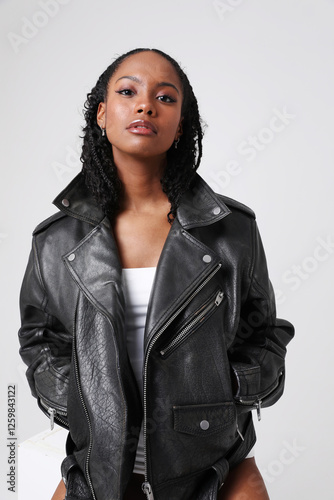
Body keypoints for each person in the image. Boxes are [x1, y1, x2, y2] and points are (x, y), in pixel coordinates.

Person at [18, 48, 294, 500]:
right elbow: (39, 336)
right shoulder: (56, 240)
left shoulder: (232, 231)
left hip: (215, 469)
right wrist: (78, 401)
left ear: (181, 124)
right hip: (99, 471)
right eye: (128, 92)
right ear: (103, 114)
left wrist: (231, 389)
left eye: (165, 98)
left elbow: (264, 333)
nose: (146, 105)